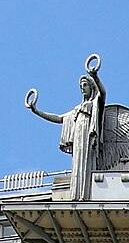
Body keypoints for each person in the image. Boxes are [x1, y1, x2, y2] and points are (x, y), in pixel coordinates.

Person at [25, 53, 106, 199]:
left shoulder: (94, 104)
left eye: (85, 85)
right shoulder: (76, 110)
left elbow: (103, 93)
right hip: (78, 138)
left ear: (91, 87)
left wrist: (95, 76)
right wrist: (37, 111)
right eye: (81, 86)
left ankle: (86, 194)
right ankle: (77, 194)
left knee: (87, 163)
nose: (82, 88)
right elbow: (59, 118)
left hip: (88, 135)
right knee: (77, 165)